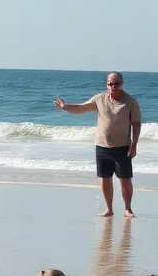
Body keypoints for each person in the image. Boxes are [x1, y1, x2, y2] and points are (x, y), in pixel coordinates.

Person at [53, 72, 142, 217]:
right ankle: (109, 209)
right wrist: (65, 106)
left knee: (125, 180)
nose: (113, 87)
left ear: (122, 83)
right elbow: (81, 108)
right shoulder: (99, 99)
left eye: (116, 83)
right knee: (105, 179)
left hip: (122, 147)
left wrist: (134, 144)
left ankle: (128, 209)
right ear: (107, 84)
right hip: (102, 146)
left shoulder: (131, 102)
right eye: (110, 84)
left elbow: (136, 123)